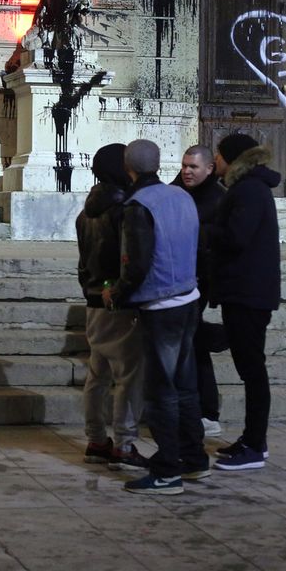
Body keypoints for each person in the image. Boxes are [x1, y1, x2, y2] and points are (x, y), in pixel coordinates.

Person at [103, 139, 209, 495]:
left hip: (160, 305)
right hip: (188, 297)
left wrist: (117, 293)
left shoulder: (138, 205)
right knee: (186, 385)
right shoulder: (181, 196)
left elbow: (137, 261)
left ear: (128, 166)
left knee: (161, 390)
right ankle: (194, 460)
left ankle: (167, 471)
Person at [207, 133, 281, 471]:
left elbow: (237, 237)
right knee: (249, 368)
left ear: (233, 158)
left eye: (219, 156)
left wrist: (204, 230)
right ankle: (252, 439)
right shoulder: (246, 187)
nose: (215, 162)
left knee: (252, 370)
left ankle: (254, 444)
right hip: (244, 290)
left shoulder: (249, 189)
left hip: (248, 293)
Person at [75, 143, 147, 472]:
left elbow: (84, 262)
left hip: (93, 300)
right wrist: (114, 291)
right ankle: (124, 443)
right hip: (115, 301)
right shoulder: (123, 210)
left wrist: (95, 290)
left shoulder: (86, 211)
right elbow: (125, 260)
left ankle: (95, 439)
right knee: (128, 376)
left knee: (98, 374)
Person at [172, 144, 228, 437]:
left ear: (209, 169)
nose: (187, 171)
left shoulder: (218, 199)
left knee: (193, 343)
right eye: (184, 165)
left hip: (198, 280)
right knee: (188, 343)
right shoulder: (176, 189)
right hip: (177, 277)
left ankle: (207, 411)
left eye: (193, 167)